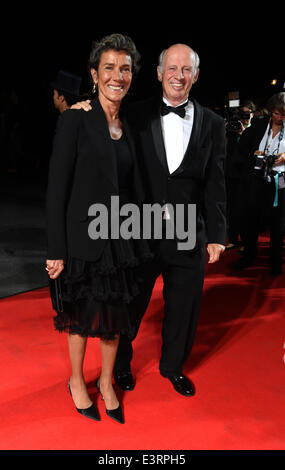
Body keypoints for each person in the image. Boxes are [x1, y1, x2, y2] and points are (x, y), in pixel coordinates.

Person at [74, 43, 227, 397]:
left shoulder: (214, 124)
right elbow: (104, 120)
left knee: (184, 306)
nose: (178, 75)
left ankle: (173, 367)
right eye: (171, 68)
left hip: (189, 229)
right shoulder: (136, 113)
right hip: (139, 227)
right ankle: (122, 366)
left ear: (196, 76)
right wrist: (84, 108)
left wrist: (217, 234)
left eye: (186, 69)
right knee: (131, 302)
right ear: (159, 73)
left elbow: (216, 182)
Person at [46, 34, 151, 424]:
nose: (117, 76)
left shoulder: (130, 123)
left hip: (121, 237)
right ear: (94, 73)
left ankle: (106, 382)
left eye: (125, 69)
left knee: (115, 315)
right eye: (109, 67)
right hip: (82, 237)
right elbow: (57, 187)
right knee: (80, 315)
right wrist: (55, 248)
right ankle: (76, 380)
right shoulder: (76, 117)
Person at [236, 92, 285, 274]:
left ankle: (275, 262)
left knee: (277, 223)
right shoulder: (259, 125)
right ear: (271, 111)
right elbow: (241, 150)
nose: (280, 118)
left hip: (280, 181)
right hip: (256, 179)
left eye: (284, 114)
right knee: (250, 220)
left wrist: (284, 158)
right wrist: (254, 155)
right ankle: (249, 256)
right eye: (277, 113)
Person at [225, 100, 256, 250]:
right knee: (232, 207)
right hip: (232, 174)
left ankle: (246, 241)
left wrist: (244, 135)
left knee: (246, 209)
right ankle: (232, 238)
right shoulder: (232, 130)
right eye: (241, 114)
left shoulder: (256, 130)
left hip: (248, 175)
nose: (244, 117)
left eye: (247, 114)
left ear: (252, 114)